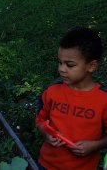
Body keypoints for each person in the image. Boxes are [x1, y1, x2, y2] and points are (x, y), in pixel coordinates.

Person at [35, 26, 107, 170]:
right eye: (60, 62)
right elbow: (40, 121)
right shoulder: (52, 92)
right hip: (46, 165)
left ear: (91, 66)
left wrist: (95, 145)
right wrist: (46, 133)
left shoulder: (103, 100)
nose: (62, 69)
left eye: (70, 65)